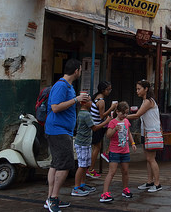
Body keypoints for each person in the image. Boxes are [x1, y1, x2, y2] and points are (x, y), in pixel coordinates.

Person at [44, 58, 89, 212]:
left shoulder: (68, 86)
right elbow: (55, 107)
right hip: (58, 130)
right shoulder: (61, 86)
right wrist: (76, 99)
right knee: (64, 164)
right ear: (76, 70)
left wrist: (77, 100)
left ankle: (50, 197)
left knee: (56, 163)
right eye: (80, 69)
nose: (81, 72)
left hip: (61, 130)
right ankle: (53, 198)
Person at [127, 79, 162, 193]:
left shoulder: (148, 101)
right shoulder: (145, 101)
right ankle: (149, 181)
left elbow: (137, 115)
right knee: (148, 159)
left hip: (151, 131)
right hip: (146, 132)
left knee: (151, 159)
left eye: (139, 89)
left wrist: (122, 116)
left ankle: (157, 183)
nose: (137, 91)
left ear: (145, 89)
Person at [73, 96, 112, 196]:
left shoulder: (82, 113)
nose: (92, 102)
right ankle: (76, 187)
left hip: (84, 142)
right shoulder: (86, 115)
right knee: (82, 166)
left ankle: (82, 184)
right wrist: (106, 122)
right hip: (82, 143)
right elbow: (94, 128)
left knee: (84, 165)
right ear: (84, 103)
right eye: (90, 101)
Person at [100, 101, 136, 203]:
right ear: (117, 111)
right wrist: (115, 129)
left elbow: (128, 133)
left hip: (125, 150)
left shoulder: (126, 121)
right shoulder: (113, 122)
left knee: (125, 171)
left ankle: (125, 189)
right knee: (112, 172)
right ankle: (104, 193)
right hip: (115, 150)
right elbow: (108, 135)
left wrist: (133, 143)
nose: (124, 115)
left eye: (126, 113)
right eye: (122, 113)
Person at [87, 81, 117, 179]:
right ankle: (91, 169)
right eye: (108, 89)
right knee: (97, 147)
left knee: (97, 146)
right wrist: (112, 108)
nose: (109, 91)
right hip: (98, 126)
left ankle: (106, 153)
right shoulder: (101, 101)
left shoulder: (95, 98)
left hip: (96, 125)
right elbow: (102, 116)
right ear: (103, 90)